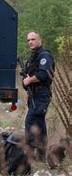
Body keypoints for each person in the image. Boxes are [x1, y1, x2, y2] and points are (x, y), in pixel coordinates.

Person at [23, 31, 55, 160]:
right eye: (28, 40)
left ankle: (29, 157)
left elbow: (43, 74)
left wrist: (29, 80)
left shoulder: (44, 56)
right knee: (40, 125)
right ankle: (42, 156)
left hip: (41, 95)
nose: (30, 42)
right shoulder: (33, 57)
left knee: (30, 122)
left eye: (33, 39)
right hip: (34, 95)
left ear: (40, 40)